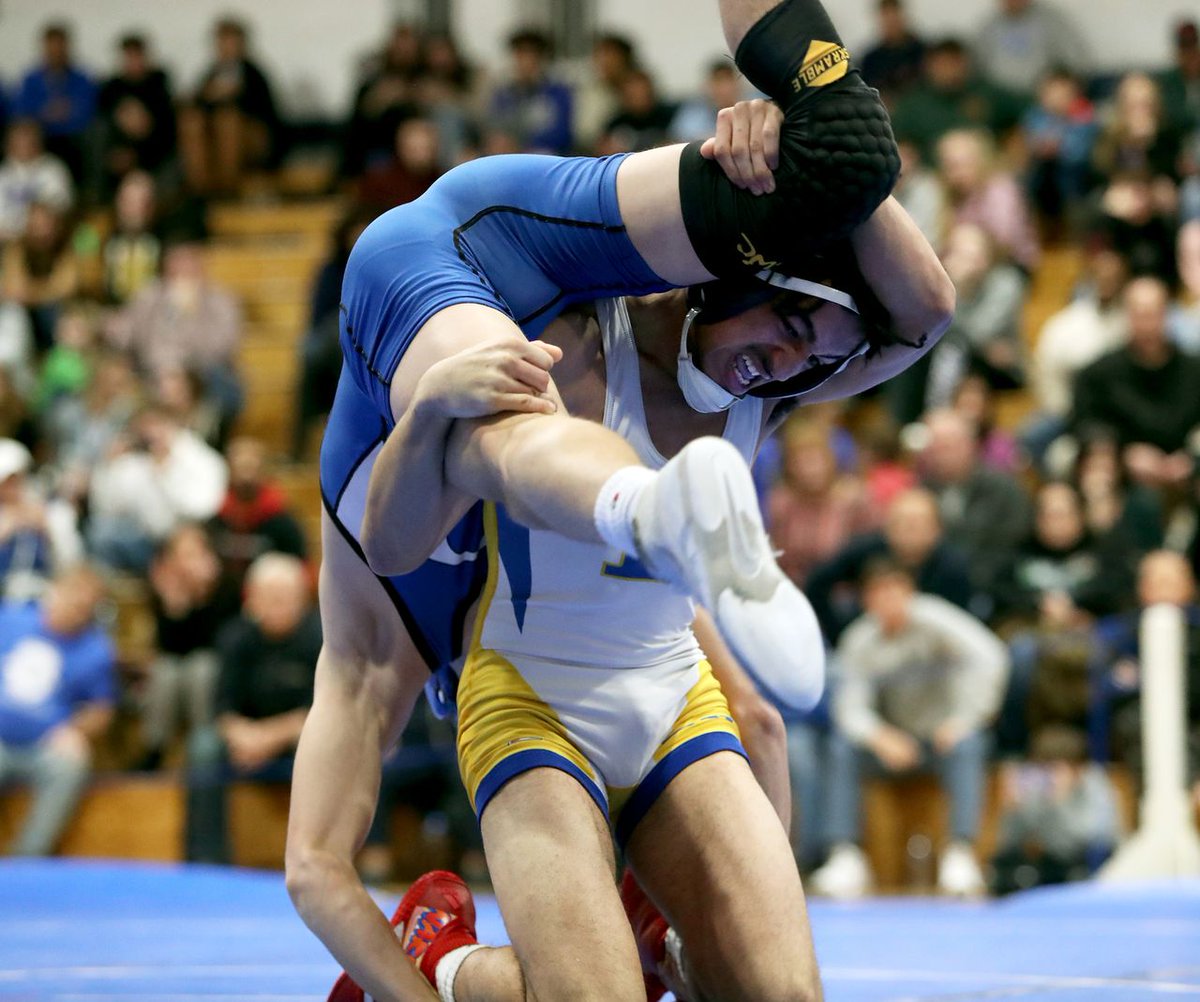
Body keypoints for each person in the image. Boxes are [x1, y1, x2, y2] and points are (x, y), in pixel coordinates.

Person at [286, 2, 951, 998]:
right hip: (528, 700)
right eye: (784, 328)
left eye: (812, 357)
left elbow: (922, 314)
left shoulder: (764, 387)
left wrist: (708, 951)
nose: (786, 366)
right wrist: (425, 412)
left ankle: (585, 947)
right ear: (736, 280)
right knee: (510, 426)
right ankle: (449, 959)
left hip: (666, 686)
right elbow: (386, 545)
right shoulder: (577, 332)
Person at [811, 558, 1009, 899]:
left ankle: (960, 854)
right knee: (842, 747)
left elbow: (991, 656)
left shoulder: (938, 621)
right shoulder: (860, 640)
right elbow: (849, 707)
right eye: (879, 593)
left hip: (943, 739)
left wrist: (966, 718)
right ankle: (845, 855)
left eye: (895, 591)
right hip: (893, 745)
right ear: (867, 600)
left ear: (910, 592)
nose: (888, 600)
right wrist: (879, 736)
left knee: (970, 744)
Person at [185, 552, 319, 863]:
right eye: (270, 596)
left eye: (286, 596)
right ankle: (206, 859)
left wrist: (269, 738)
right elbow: (222, 704)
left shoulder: (320, 639)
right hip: (244, 739)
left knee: (320, 747)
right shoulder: (235, 638)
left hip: (297, 735)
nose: (277, 605)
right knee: (203, 746)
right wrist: (243, 735)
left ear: (302, 599)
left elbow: (322, 709)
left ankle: (314, 853)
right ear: (253, 600)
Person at [0, 564, 115, 857]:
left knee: (70, 761)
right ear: (55, 591)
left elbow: (102, 710)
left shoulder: (96, 651)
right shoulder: (10, 620)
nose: (76, 611)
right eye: (73, 600)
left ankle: (27, 860)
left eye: (85, 608)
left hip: (44, 746)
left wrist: (74, 730)